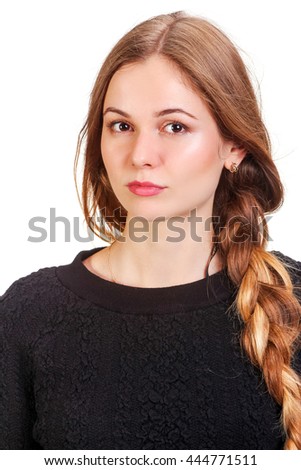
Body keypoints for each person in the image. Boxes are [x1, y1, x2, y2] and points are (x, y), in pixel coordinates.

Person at [0, 11, 300, 451]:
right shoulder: (27, 316)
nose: (141, 154)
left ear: (233, 146)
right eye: (121, 125)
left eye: (174, 126)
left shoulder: (292, 304)